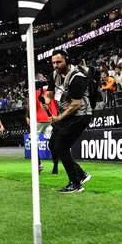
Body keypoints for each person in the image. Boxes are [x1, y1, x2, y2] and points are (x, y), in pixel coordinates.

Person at [44, 50, 92, 193]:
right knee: (53, 145)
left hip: (80, 115)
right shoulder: (54, 74)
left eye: (59, 62)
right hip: (66, 115)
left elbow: (76, 104)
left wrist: (58, 117)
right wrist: (46, 100)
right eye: (53, 63)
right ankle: (81, 174)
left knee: (61, 146)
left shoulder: (77, 77)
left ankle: (75, 183)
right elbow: (50, 92)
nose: (56, 65)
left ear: (67, 60)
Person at [26, 74, 59, 173]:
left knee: (32, 142)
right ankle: (55, 167)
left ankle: (39, 164)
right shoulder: (52, 90)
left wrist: (27, 116)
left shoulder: (34, 91)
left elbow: (30, 105)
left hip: (38, 119)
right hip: (51, 118)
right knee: (53, 143)